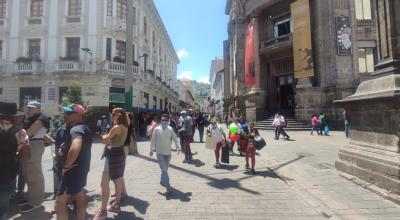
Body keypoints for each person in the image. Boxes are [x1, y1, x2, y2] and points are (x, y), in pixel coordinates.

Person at [55, 104, 92, 220]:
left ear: (79, 115)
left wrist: (66, 166)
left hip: (72, 171)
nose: (65, 115)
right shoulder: (83, 128)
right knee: (80, 198)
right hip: (80, 170)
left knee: (60, 203)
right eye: (65, 112)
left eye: (69, 113)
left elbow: (76, 145)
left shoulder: (77, 129)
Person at [93, 108, 128, 219]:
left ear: (119, 115)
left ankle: (103, 211)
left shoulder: (116, 127)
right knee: (117, 179)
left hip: (112, 155)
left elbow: (105, 140)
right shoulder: (125, 126)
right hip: (120, 153)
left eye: (114, 114)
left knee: (104, 183)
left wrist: (103, 135)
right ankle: (116, 205)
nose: (112, 115)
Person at [0, 102, 29, 220]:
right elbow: (25, 156)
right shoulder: (20, 132)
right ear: (14, 116)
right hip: (7, 174)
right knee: (2, 207)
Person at [19, 101, 50, 213]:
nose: (29, 109)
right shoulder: (31, 118)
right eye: (28, 107)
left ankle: (35, 201)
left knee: (34, 174)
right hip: (28, 144)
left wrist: (16, 142)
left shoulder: (41, 118)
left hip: (33, 144)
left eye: (32, 108)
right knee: (27, 172)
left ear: (38, 108)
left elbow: (30, 132)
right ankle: (31, 197)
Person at [150, 114, 181, 196]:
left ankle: (162, 180)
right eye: (162, 120)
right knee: (164, 170)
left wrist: (178, 147)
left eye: (165, 120)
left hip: (168, 154)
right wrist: (151, 150)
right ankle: (168, 187)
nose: (163, 122)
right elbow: (153, 139)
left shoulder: (170, 129)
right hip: (159, 153)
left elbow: (175, 138)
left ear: (168, 121)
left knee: (165, 170)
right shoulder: (157, 129)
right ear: (161, 120)